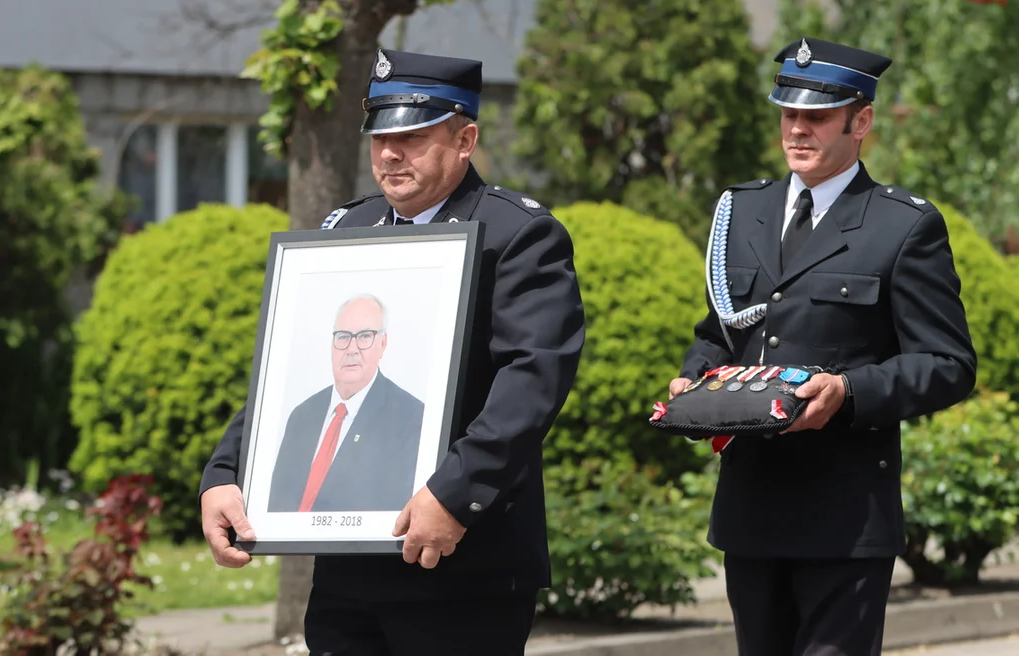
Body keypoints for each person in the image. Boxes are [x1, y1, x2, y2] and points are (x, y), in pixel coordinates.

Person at [199, 47, 586, 655]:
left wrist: (454, 494)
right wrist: (226, 474)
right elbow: (290, 371)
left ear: (466, 140)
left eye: (413, 135)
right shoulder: (344, 232)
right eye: (380, 136)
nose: (390, 153)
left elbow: (532, 382)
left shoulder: (519, 235)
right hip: (347, 575)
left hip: (461, 565)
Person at [669, 36, 977, 656]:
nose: (798, 130)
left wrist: (848, 392)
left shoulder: (903, 225)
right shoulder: (743, 209)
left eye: (817, 117)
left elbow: (948, 364)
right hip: (751, 509)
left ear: (860, 121)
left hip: (845, 515)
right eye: (789, 114)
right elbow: (721, 328)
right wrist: (694, 379)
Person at [266, 293, 424, 513]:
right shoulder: (302, 416)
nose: (352, 348)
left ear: (383, 343)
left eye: (364, 336)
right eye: (343, 336)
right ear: (332, 343)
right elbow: (277, 502)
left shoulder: (411, 417)